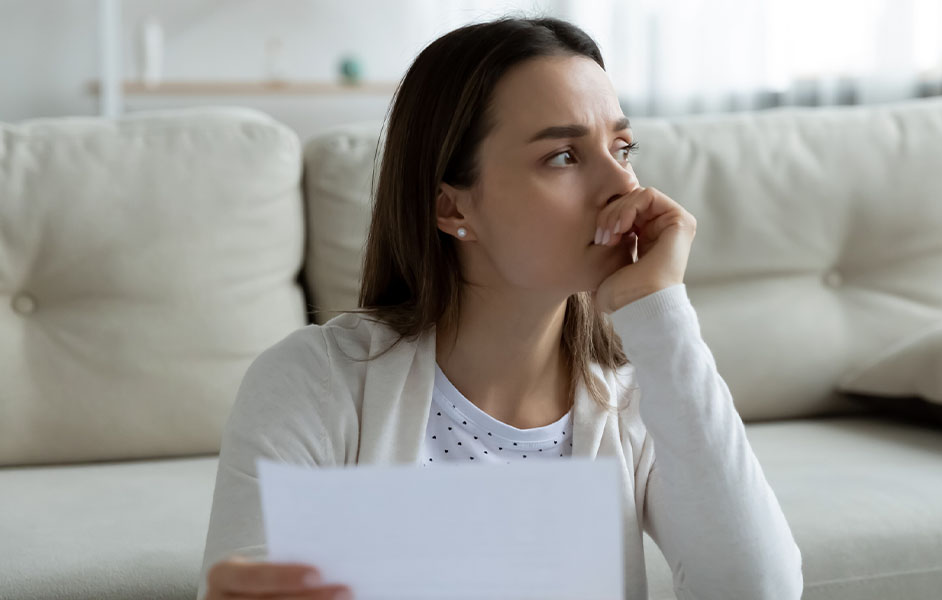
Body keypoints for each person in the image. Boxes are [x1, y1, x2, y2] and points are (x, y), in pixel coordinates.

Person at [198, 15, 803, 600]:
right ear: (454, 210)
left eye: (622, 147)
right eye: (563, 156)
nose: (624, 186)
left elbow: (759, 591)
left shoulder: (641, 395)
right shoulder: (313, 384)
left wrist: (658, 311)